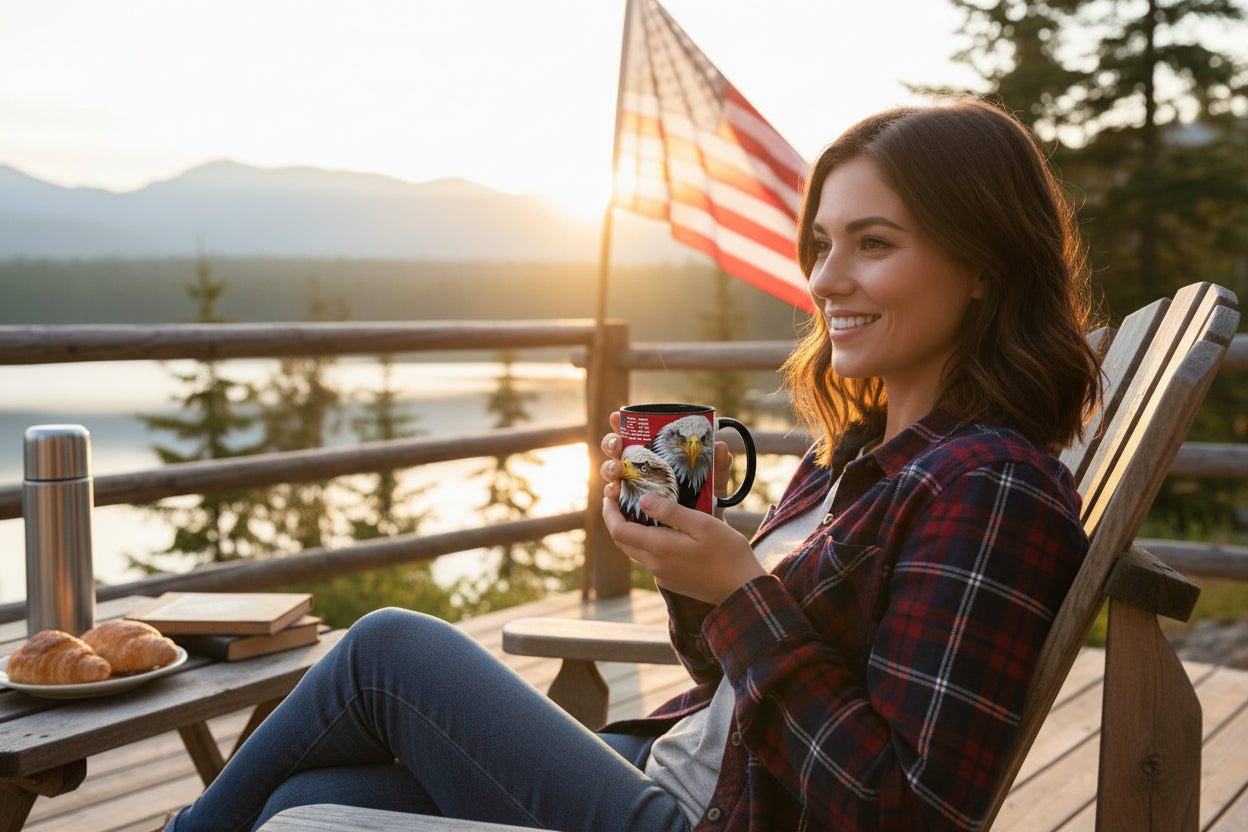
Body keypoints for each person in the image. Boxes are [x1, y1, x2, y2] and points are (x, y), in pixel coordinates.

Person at [161, 98, 1100, 832]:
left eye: (875, 244)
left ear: (982, 264)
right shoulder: (857, 458)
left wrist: (741, 593)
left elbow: (908, 812)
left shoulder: (990, 487)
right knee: (310, 791)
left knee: (385, 655)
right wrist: (693, 575)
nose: (825, 279)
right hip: (665, 769)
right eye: (823, 244)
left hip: (704, 819)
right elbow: (742, 686)